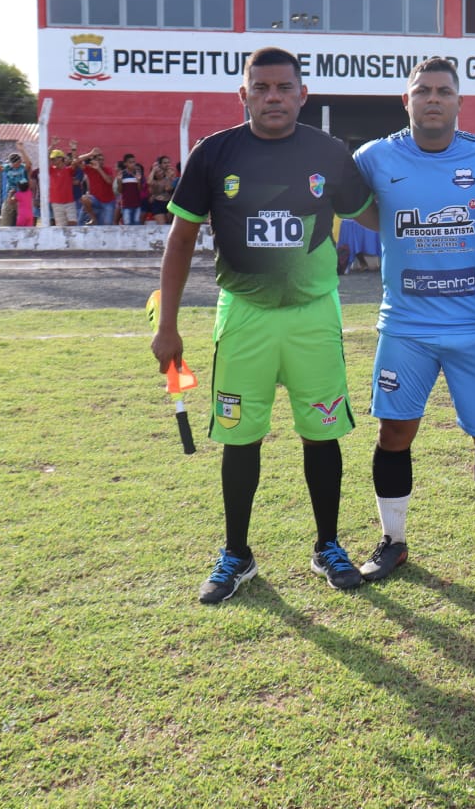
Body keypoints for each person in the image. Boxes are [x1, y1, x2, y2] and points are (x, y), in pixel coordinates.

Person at [151, 46, 373, 604]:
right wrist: (168, 327)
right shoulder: (214, 153)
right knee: (240, 436)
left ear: (303, 93)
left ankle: (327, 545)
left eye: (283, 87)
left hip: (313, 313)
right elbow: (181, 240)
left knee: (322, 433)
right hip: (243, 314)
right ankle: (237, 554)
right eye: (262, 87)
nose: (273, 96)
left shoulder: (329, 152)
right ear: (243, 93)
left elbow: (375, 212)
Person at [349, 58, 475, 580]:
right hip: (406, 328)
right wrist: (386, 226)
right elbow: (352, 203)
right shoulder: (374, 157)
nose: (433, 98)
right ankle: (392, 541)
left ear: (458, 102)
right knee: (394, 434)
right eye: (422, 90)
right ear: (406, 100)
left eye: (443, 91)